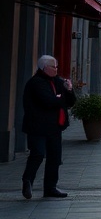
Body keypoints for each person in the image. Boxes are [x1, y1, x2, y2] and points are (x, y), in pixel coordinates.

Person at [21, 54, 76, 199]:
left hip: (54, 127)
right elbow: (48, 102)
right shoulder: (36, 83)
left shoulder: (57, 81)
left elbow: (70, 102)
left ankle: (50, 187)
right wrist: (58, 99)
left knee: (55, 157)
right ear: (44, 68)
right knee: (38, 154)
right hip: (37, 126)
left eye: (57, 66)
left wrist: (69, 90)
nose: (56, 69)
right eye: (53, 67)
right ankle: (27, 181)